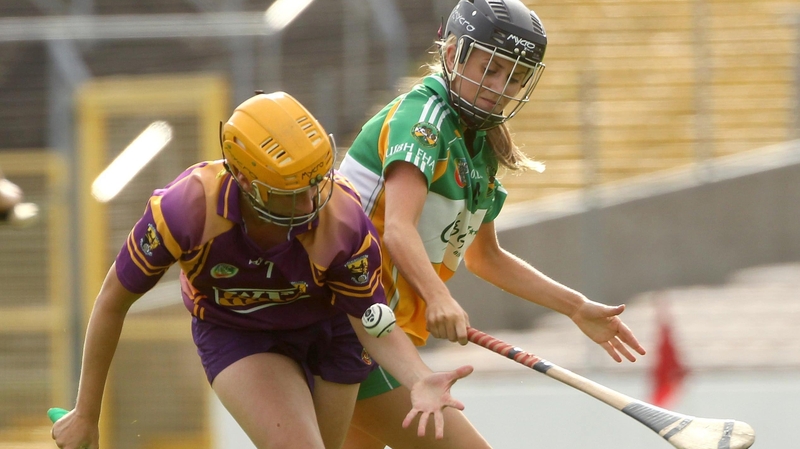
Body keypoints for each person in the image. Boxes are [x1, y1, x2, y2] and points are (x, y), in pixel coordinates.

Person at [50, 92, 474, 449]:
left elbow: (370, 321)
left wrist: (418, 377)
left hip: (334, 333)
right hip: (240, 334)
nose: (312, 204)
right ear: (245, 181)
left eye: (317, 182)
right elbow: (111, 302)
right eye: (292, 193)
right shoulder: (184, 212)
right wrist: (86, 412)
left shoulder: (342, 219)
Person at [338, 0, 647, 447]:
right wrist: (439, 298)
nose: (500, 87)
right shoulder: (422, 120)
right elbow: (398, 228)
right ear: (452, 55)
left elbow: (486, 258)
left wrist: (575, 306)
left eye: (516, 78)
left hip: (383, 330)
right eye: (492, 69)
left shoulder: (478, 148)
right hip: (351, 322)